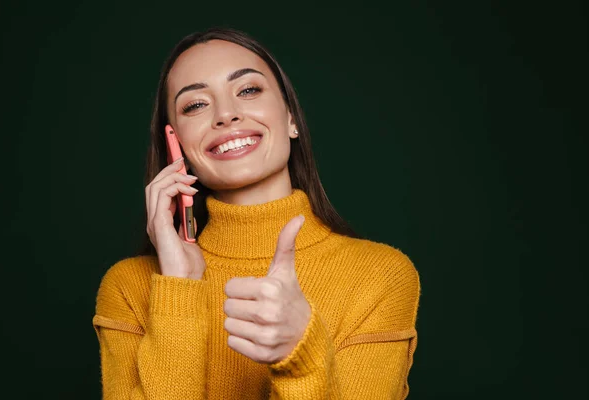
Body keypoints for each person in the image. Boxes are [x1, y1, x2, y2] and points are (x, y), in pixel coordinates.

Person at [93, 27, 421, 399]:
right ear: (175, 145)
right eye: (195, 105)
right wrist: (179, 290)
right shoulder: (129, 287)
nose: (226, 115)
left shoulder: (380, 277)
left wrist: (302, 354)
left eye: (248, 90)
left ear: (292, 117)